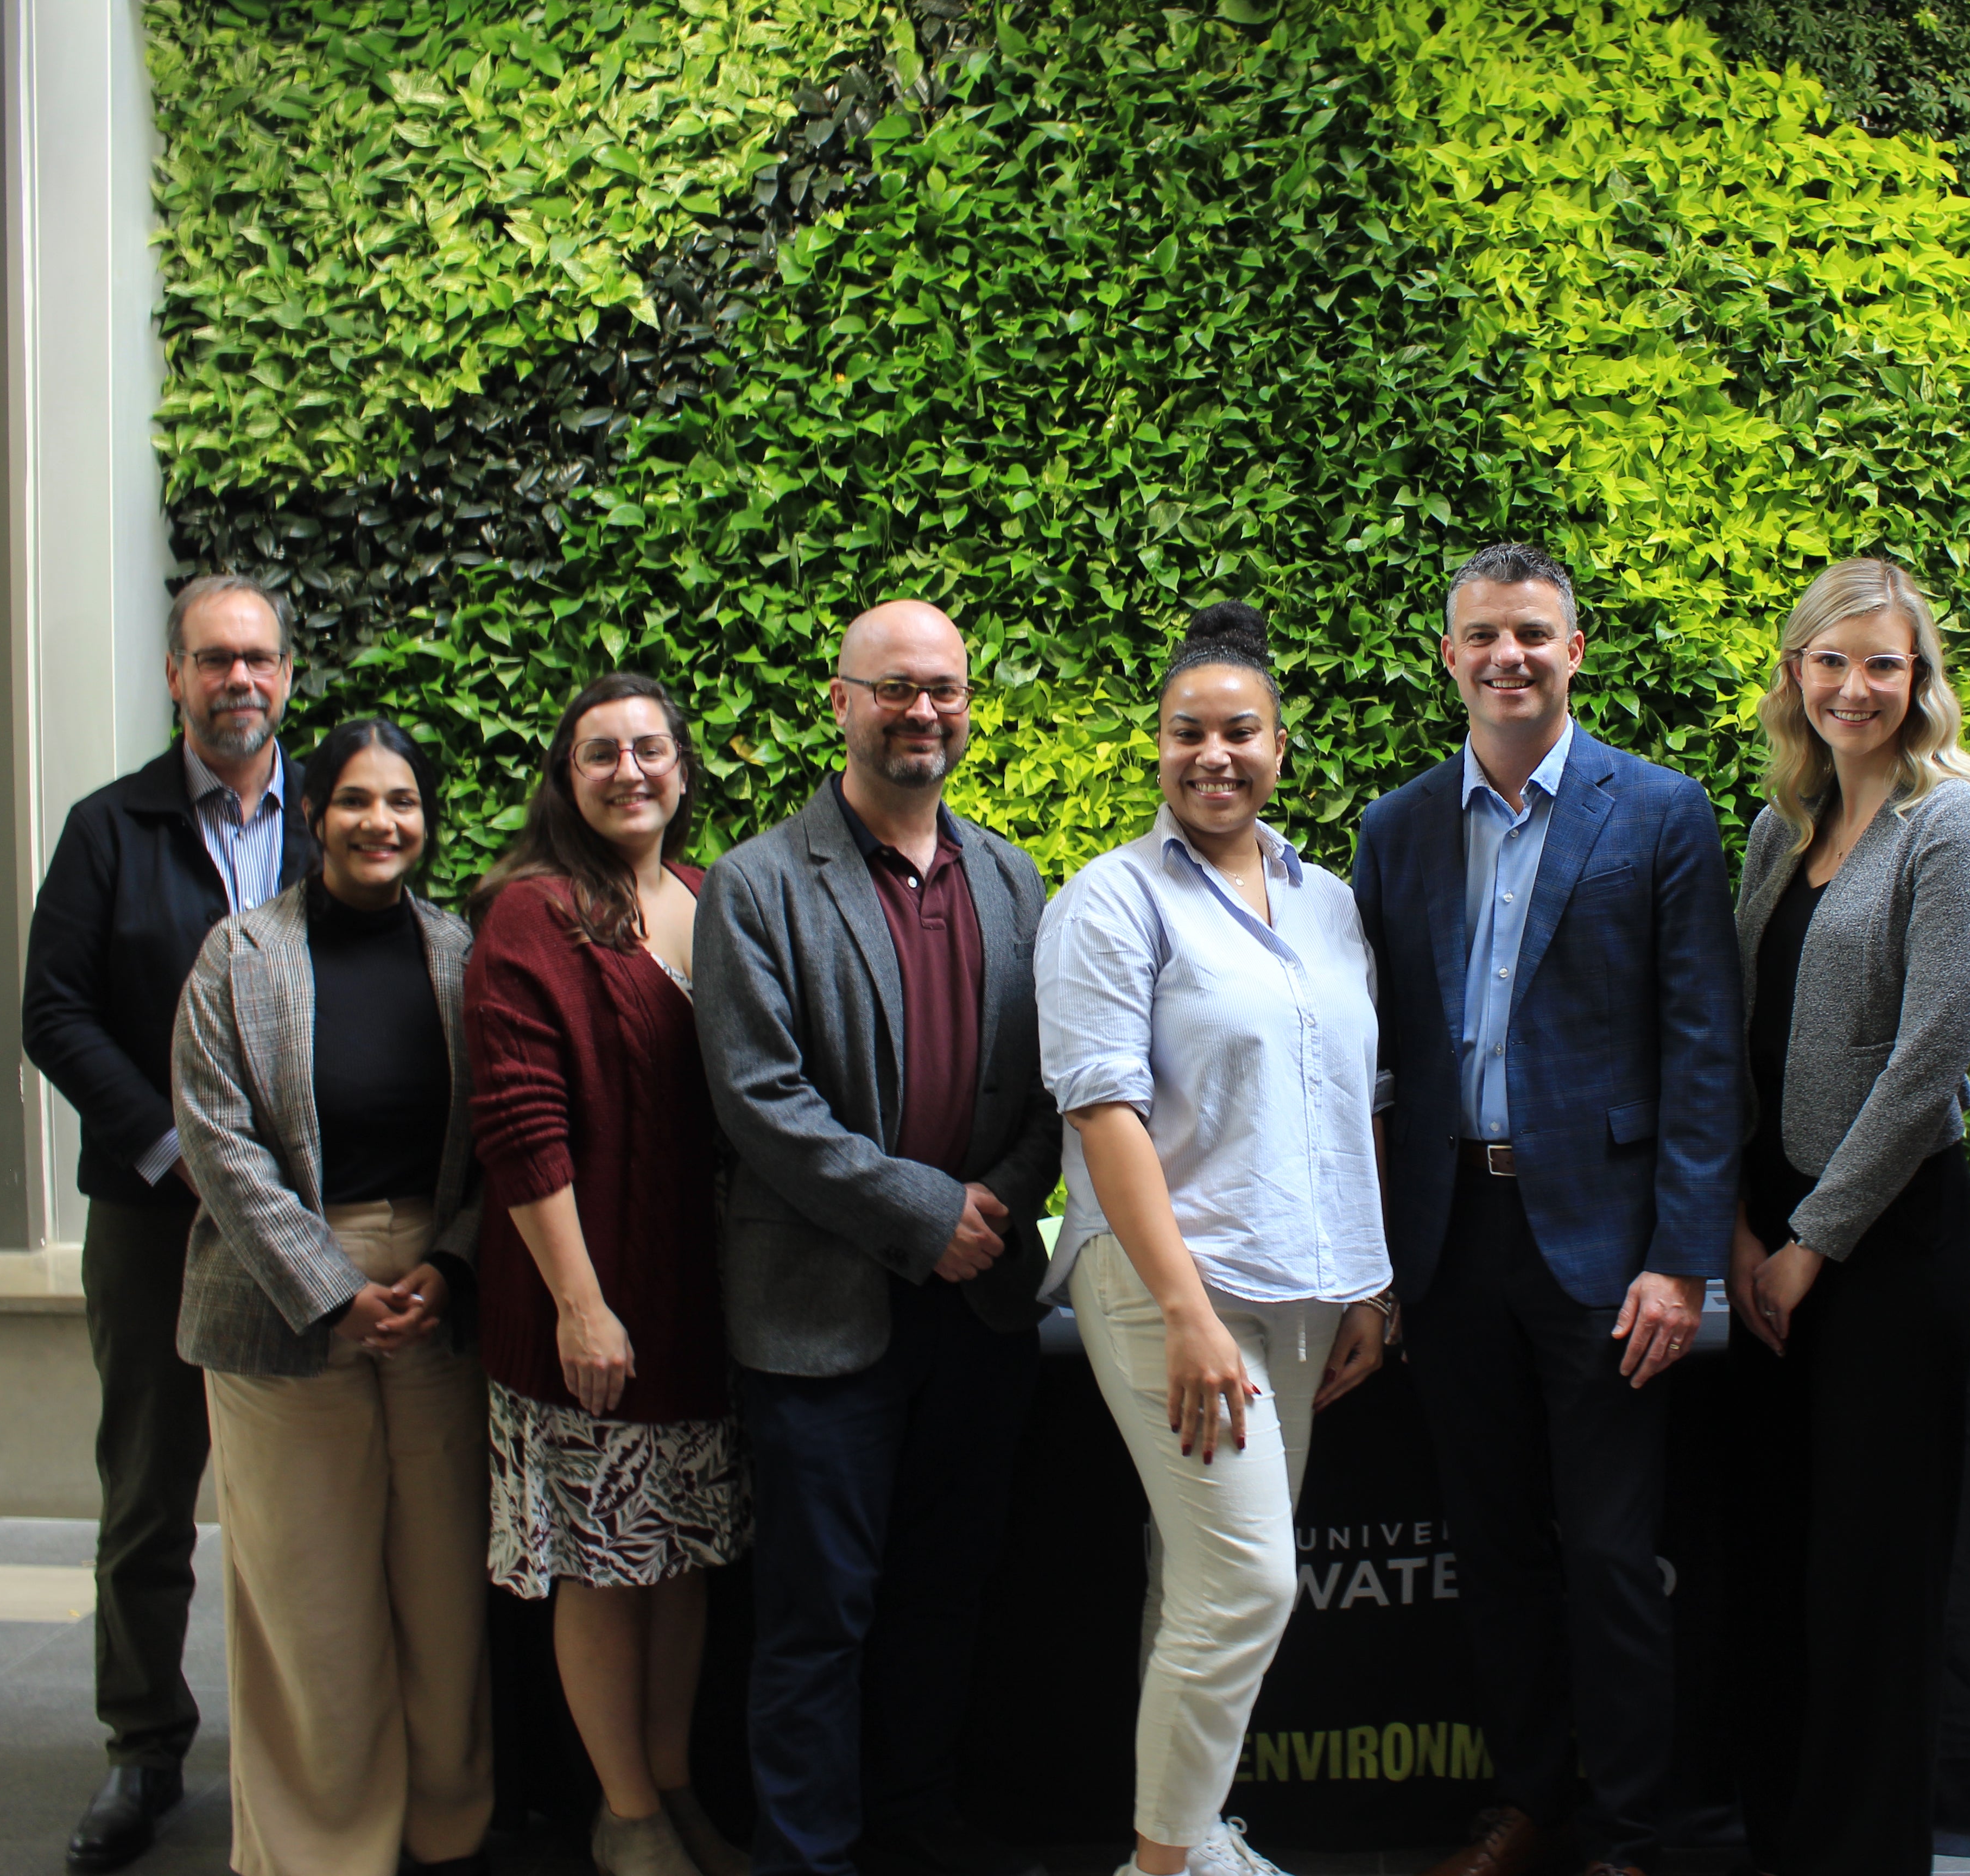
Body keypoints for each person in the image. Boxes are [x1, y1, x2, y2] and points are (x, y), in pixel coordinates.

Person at [1351, 543, 1741, 1876]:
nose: (1507, 656)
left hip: (1607, 1252)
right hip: (1452, 1242)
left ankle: (1630, 1831)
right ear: (1448, 658)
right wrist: (1375, 1259)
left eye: (1532, 634)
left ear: (1575, 651)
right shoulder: (1395, 829)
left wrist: (1683, 1260)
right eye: (1482, 636)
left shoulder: (1662, 813)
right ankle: (1527, 1799)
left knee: (1616, 1558)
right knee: (1496, 1548)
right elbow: (1374, 1056)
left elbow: (1702, 1050)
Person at [693, 599, 1064, 1876]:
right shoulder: (753, 885)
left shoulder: (1014, 876)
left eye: (945, 690)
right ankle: (806, 1855)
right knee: (818, 1615)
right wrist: (927, 1215)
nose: (923, 712)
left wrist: (995, 1208)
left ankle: (913, 1824)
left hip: (979, 1305)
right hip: (822, 1307)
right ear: (840, 701)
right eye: (895, 688)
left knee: (942, 1594)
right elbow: (760, 1101)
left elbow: (1050, 1082)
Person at [1037, 604, 1393, 1876]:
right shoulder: (1109, 901)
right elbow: (1103, 1109)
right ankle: (1165, 1868)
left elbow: (1356, 1101)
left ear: (1281, 745)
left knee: (1203, 1581)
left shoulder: (1329, 903)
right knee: (1250, 1584)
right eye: (1189, 732)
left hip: (1301, 1293)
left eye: (1240, 730)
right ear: (1158, 748)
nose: (1214, 755)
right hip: (1166, 1291)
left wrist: (1372, 1282)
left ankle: (1189, 1834)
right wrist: (1186, 1311)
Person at [1719, 557, 1970, 1876]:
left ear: (1919, 679)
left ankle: (1867, 1853)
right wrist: (1740, 1228)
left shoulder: (1952, 826)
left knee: (1874, 1579)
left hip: (1881, 1247)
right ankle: (1784, 1838)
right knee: (1780, 1562)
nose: (1854, 686)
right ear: (1796, 674)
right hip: (1771, 1238)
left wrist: (1812, 1246)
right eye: (1829, 661)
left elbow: (1931, 1056)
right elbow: (1735, 1035)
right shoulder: (1783, 826)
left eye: (1882, 663)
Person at [22, 572, 316, 1872]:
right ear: (175, 677)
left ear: (288, 678)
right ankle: (144, 1745)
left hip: (308, 1214)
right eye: (213, 659)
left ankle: (312, 1741)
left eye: (258, 659)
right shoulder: (110, 827)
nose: (237, 680)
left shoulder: (342, 814)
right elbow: (55, 1011)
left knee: (307, 1487)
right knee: (148, 1489)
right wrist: (172, 1147)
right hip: (156, 1216)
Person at [170, 718, 491, 1876]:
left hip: (433, 1298)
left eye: (402, 801)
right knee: (313, 1607)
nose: (380, 823)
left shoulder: (461, 955)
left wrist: (451, 1266)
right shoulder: (237, 956)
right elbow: (216, 1144)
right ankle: (320, 1852)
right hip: (280, 1299)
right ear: (314, 818)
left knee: (444, 1593)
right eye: (355, 801)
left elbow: (501, 1139)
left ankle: (446, 1831)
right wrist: (328, 1291)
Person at [465, 674, 746, 1876]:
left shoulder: (705, 898)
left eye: (650, 751)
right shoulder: (535, 914)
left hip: (699, 1307)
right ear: (566, 778)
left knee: (678, 1558)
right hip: (588, 1305)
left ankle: (674, 1786)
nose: (630, 772)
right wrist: (582, 1304)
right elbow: (520, 1122)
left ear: (683, 771)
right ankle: (622, 1810)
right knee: (603, 1558)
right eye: (600, 755)